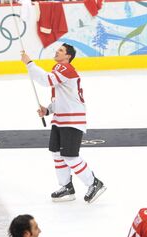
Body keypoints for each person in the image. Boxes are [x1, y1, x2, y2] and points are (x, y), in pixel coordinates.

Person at [21, 44, 106, 204]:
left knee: (70, 156)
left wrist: (29, 64)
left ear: (68, 57)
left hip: (72, 120)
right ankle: (67, 186)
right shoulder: (58, 69)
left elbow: (46, 80)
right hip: (60, 120)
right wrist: (47, 110)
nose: (57, 52)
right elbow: (59, 98)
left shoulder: (65, 68)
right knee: (57, 154)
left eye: (61, 50)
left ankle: (94, 183)